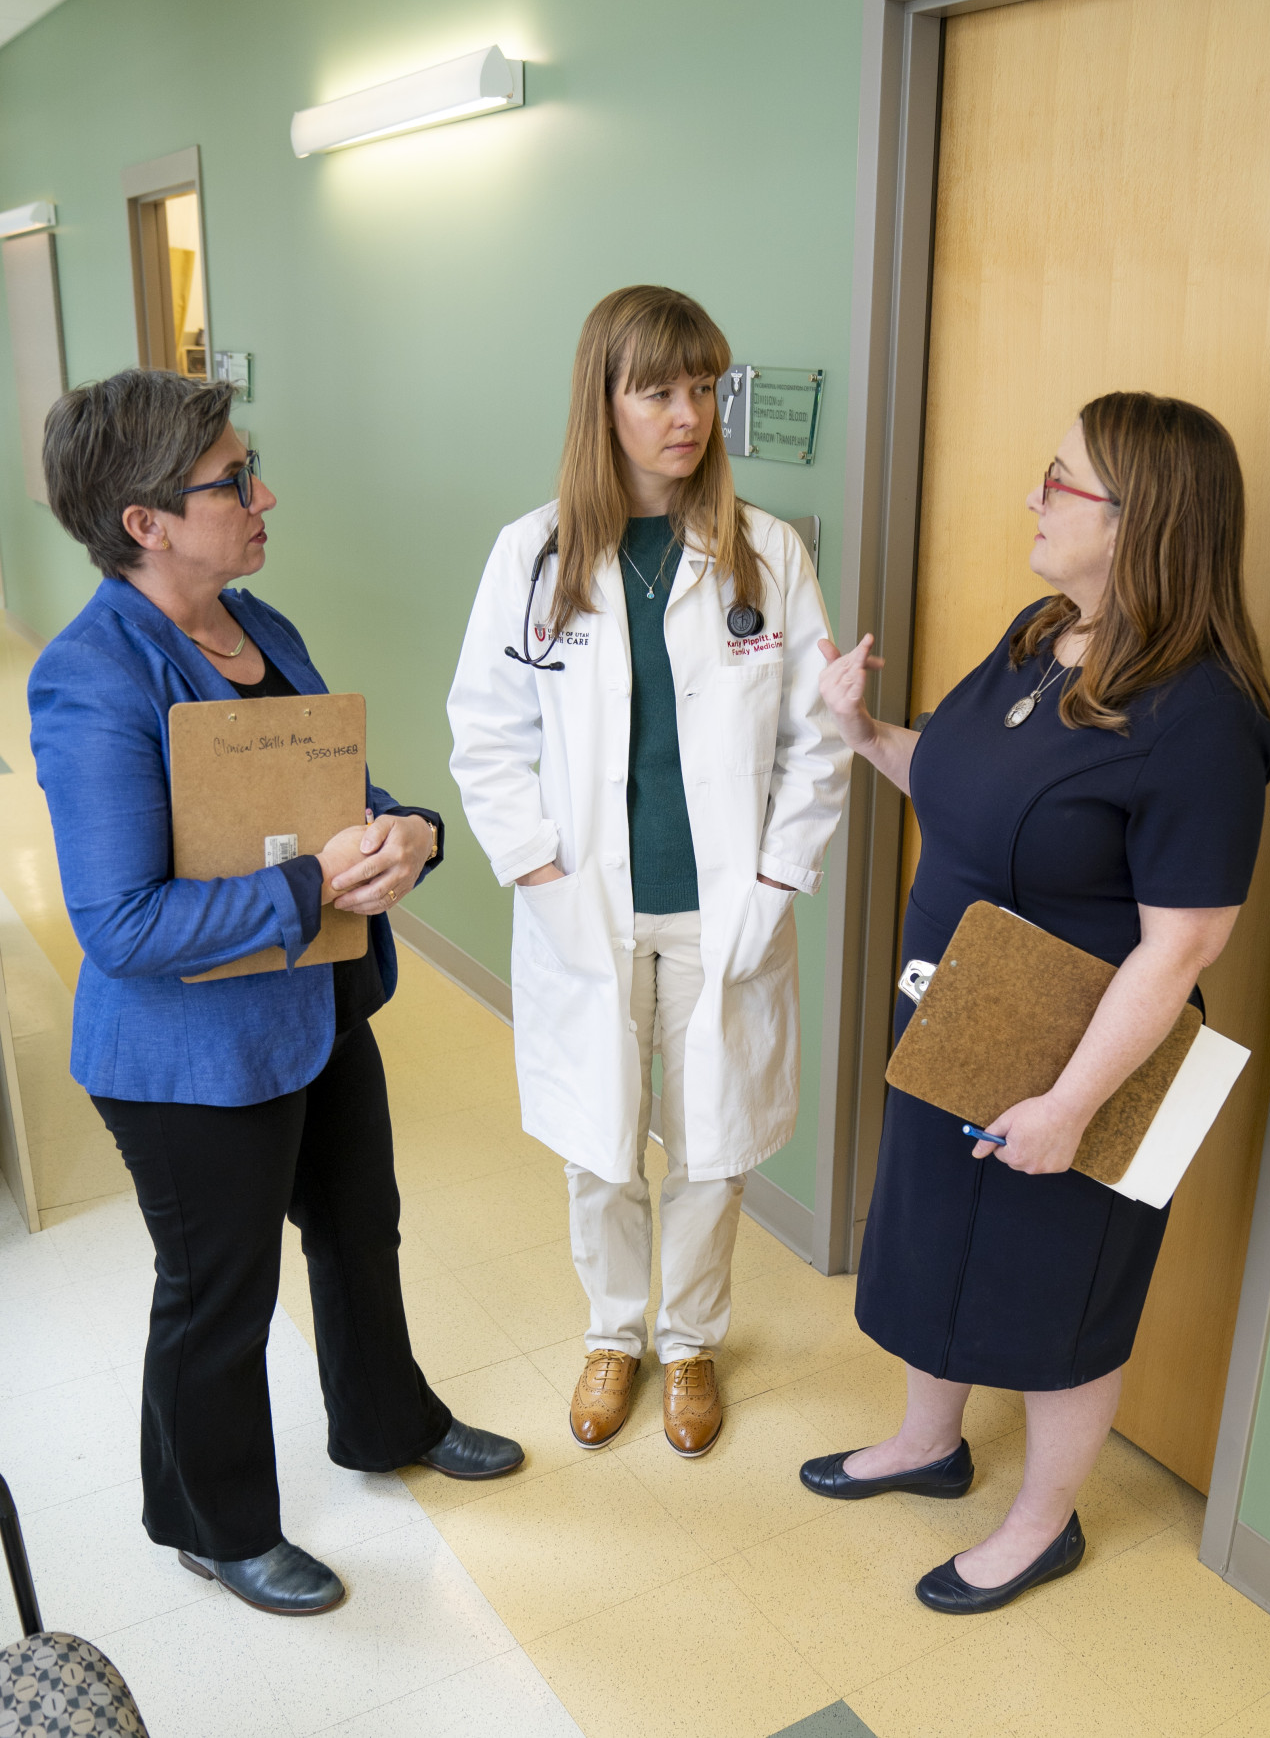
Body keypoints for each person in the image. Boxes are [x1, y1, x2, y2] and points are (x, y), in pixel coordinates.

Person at [29, 370, 524, 1618]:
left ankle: (388, 1422)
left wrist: (405, 830)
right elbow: (121, 923)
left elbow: (339, 787)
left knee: (361, 1231)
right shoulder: (94, 679)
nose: (264, 495)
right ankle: (214, 1522)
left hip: (317, 1008)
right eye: (234, 479)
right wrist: (313, 887)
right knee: (220, 1297)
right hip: (186, 1057)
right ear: (146, 521)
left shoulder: (260, 626)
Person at [801, 392, 1270, 1613]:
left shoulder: (1202, 717)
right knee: (928, 1240)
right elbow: (955, 786)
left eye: (1055, 481)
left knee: (1057, 1291)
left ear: (1138, 519)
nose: (1030, 496)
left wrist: (1068, 1103)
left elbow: (1180, 947)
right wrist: (862, 733)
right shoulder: (1040, 633)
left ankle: (1041, 1523)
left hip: (1090, 1060)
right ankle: (926, 1444)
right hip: (957, 1021)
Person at [448, 286, 850, 1457]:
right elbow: (484, 728)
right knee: (599, 1140)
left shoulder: (764, 552)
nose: (687, 415)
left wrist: (777, 879)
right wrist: (533, 866)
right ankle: (612, 1333)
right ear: (603, 401)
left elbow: (815, 738)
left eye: (701, 388)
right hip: (585, 907)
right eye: (656, 391)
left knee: (712, 1147)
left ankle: (689, 1344)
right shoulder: (532, 556)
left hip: (722, 909)